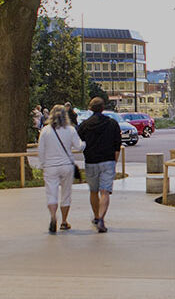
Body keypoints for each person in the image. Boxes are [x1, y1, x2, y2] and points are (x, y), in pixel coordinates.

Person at [37, 103, 84, 235]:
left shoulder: (45, 130)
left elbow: (41, 150)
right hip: (67, 166)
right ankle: (64, 221)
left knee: (51, 193)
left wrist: (42, 164)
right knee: (66, 194)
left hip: (50, 166)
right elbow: (79, 147)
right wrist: (85, 144)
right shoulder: (70, 129)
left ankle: (53, 217)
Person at [76, 97, 122, 232]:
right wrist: (115, 161)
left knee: (93, 191)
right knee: (105, 191)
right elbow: (117, 145)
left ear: (90, 108)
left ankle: (96, 216)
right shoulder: (112, 123)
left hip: (91, 161)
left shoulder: (85, 125)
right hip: (108, 160)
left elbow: (79, 142)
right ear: (103, 108)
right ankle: (102, 218)